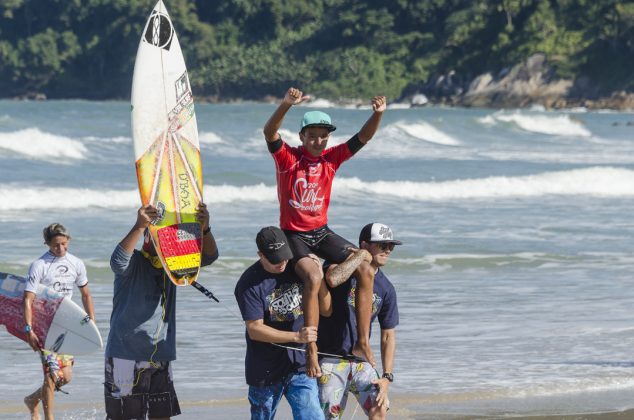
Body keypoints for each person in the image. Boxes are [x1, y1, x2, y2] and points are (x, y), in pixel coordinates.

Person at [263, 87, 387, 375]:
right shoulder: (287, 159)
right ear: (302, 136)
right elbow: (269, 132)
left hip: (321, 231)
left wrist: (377, 114)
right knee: (314, 275)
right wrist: (285, 104)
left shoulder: (331, 159)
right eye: (313, 135)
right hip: (293, 234)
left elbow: (363, 138)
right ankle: (312, 351)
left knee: (367, 266)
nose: (319, 141)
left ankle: (362, 343)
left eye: (324, 136)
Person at [104, 203, 218, 420]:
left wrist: (205, 229)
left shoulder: (175, 264)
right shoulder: (135, 262)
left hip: (160, 353)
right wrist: (139, 226)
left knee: (161, 416)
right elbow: (117, 262)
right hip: (126, 355)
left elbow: (210, 257)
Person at [234, 226, 330, 420]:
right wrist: (296, 337)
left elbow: (327, 309)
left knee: (313, 416)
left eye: (285, 256)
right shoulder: (249, 283)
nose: (282, 263)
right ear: (261, 254)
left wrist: (318, 276)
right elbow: (254, 329)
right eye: (275, 259)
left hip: (300, 364)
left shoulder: (298, 269)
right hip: (264, 367)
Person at [318, 223, 401, 419]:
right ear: (364, 245)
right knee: (330, 416)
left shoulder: (386, 287)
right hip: (331, 359)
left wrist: (387, 376)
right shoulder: (341, 268)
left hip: (361, 362)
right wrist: (359, 258)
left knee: (379, 407)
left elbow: (388, 336)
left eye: (391, 246)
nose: (388, 250)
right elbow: (331, 278)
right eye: (382, 245)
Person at [23, 223, 96, 420]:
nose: (61, 249)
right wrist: (29, 329)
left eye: (64, 244)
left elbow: (86, 294)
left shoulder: (77, 264)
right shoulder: (39, 265)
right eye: (56, 245)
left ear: (68, 240)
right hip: (44, 326)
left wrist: (91, 321)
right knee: (51, 374)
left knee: (66, 377)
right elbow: (28, 298)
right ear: (47, 244)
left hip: (67, 325)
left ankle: (32, 399)